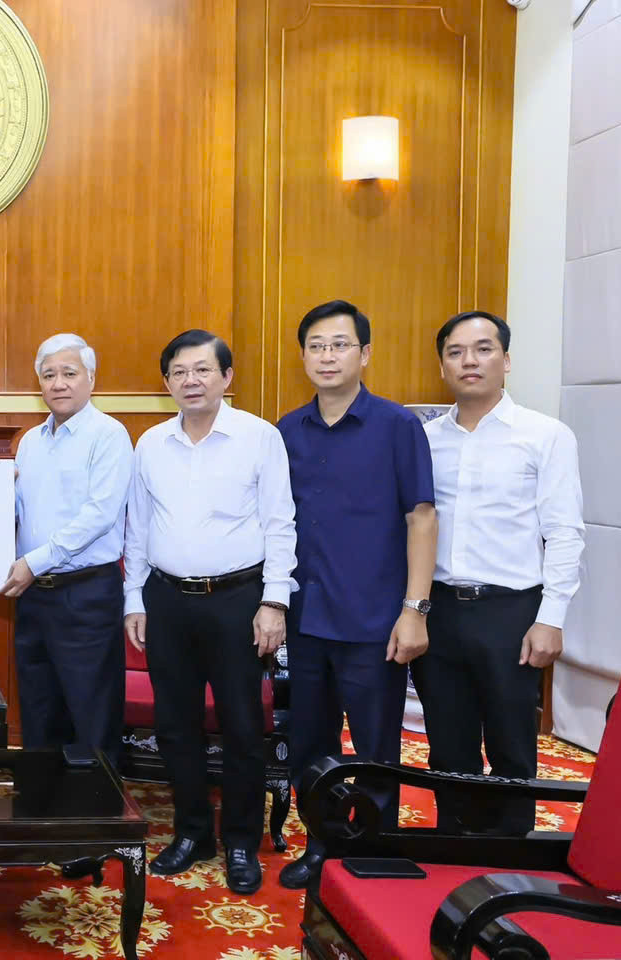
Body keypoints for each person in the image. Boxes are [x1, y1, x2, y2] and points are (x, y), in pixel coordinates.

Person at [123, 329, 297, 894]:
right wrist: (135, 599)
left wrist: (274, 601)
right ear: (166, 382)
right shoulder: (151, 443)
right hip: (167, 600)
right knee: (176, 726)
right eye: (178, 372)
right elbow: (138, 528)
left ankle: (240, 841)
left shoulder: (259, 437)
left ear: (227, 377)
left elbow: (280, 523)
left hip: (238, 601)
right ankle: (192, 832)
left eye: (202, 370)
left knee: (243, 725)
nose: (190, 381)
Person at [275, 300, 437, 889]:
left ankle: (373, 849)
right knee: (309, 743)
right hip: (306, 615)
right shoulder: (286, 430)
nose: (327, 356)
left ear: (364, 354)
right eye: (316, 346)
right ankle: (321, 844)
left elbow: (421, 518)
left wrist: (414, 610)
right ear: (303, 356)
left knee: (374, 748)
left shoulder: (397, 426)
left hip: (373, 616)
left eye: (340, 344)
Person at [415, 311, 584, 833]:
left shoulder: (545, 435)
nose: (470, 361)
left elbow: (565, 532)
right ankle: (454, 847)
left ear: (506, 360)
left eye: (484, 349)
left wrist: (551, 617)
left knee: (512, 745)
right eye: (456, 352)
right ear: (442, 365)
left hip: (511, 612)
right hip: (439, 608)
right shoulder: (424, 439)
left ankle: (510, 853)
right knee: (448, 745)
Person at [0, 333, 132, 766]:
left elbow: (100, 515)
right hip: (33, 597)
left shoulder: (108, 435)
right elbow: (18, 512)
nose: (58, 383)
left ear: (91, 378)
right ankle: (44, 805)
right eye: (48, 374)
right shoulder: (30, 441)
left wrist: (33, 563)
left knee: (91, 716)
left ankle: (98, 806)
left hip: (85, 594)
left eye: (69, 373)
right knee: (39, 714)